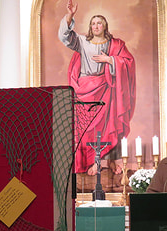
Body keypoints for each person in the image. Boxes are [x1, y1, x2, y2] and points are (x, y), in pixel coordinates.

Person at [58, 0, 136, 175]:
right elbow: (64, 36)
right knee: (86, 129)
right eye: (93, 23)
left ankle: (109, 160)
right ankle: (92, 162)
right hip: (85, 89)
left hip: (105, 89)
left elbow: (128, 62)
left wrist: (110, 60)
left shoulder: (115, 44)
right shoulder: (82, 41)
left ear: (105, 26)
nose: (96, 26)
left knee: (109, 125)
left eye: (99, 22)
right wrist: (70, 15)